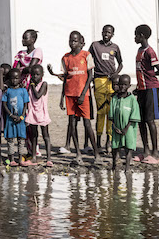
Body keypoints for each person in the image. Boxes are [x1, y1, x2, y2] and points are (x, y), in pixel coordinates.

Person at [49, 31, 96, 166]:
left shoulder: (86, 55)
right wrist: (62, 97)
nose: (72, 43)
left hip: (83, 95)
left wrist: (83, 94)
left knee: (87, 124)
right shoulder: (65, 58)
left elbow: (90, 76)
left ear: (80, 42)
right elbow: (65, 78)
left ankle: (96, 154)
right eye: (71, 40)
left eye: (75, 41)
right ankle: (77, 154)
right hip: (70, 95)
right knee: (72, 124)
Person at [89, 25, 122, 152]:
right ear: (101, 32)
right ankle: (98, 141)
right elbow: (88, 60)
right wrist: (91, 75)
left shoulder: (115, 47)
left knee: (110, 112)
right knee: (101, 111)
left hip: (111, 82)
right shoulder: (95, 45)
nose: (106, 34)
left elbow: (121, 63)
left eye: (109, 32)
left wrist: (116, 74)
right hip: (99, 80)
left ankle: (109, 140)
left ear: (113, 34)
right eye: (104, 32)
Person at [133, 25, 159, 164]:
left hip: (151, 88)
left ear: (142, 35)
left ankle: (156, 153)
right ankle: (145, 150)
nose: (134, 38)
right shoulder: (139, 50)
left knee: (150, 120)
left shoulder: (150, 51)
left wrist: (149, 76)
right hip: (141, 89)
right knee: (141, 120)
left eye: (136, 35)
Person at [108, 74, 140, 170]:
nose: (122, 87)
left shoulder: (132, 99)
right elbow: (111, 114)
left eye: (125, 85)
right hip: (116, 127)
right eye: (121, 84)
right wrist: (114, 126)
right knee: (115, 145)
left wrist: (126, 128)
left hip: (129, 128)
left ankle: (127, 166)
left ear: (129, 86)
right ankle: (114, 164)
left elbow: (134, 114)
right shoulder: (114, 98)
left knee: (128, 146)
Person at [1, 68, 29, 165]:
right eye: (12, 78)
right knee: (10, 140)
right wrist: (11, 115)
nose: (14, 80)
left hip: (20, 119)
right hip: (10, 119)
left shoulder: (23, 90)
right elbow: (4, 104)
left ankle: (20, 158)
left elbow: (26, 104)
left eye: (17, 78)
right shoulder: (7, 91)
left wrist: (22, 116)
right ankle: (11, 159)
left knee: (21, 140)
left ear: (20, 78)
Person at [25, 62, 51, 163]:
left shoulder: (44, 84)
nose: (35, 76)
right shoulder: (30, 86)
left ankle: (49, 158)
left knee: (46, 136)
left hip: (42, 113)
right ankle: (34, 156)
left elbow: (38, 95)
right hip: (33, 113)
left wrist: (31, 85)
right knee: (34, 136)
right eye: (33, 75)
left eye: (37, 74)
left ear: (42, 75)